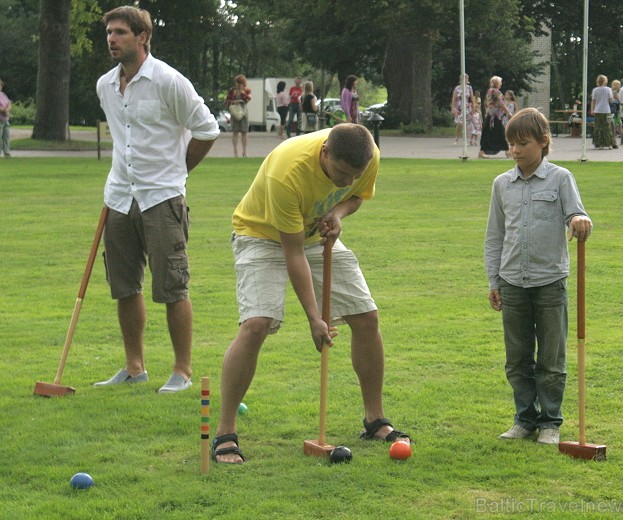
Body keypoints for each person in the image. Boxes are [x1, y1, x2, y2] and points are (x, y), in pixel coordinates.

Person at [210, 124, 412, 464]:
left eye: (355, 174)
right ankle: (225, 433)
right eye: (341, 173)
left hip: (315, 233)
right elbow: (293, 254)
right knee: (257, 323)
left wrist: (338, 212)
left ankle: (375, 419)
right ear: (325, 154)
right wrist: (314, 318)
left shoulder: (367, 155)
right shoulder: (287, 171)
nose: (347, 181)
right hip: (260, 234)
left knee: (366, 317)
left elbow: (356, 195)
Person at [94, 5, 219, 393]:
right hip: (119, 198)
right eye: (109, 33)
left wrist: (178, 172)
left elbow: (207, 129)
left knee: (172, 286)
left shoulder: (169, 81)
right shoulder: (105, 86)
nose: (112, 39)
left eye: (120, 32)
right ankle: (135, 367)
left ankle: (181, 371)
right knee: (125, 285)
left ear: (142, 37)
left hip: (161, 198)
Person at [484, 108, 592, 445]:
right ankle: (524, 419)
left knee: (551, 360)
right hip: (512, 282)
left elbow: (577, 213)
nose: (515, 150)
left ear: (543, 142)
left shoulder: (561, 178)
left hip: (549, 283)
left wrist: (579, 221)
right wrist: (494, 280)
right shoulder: (502, 184)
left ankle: (550, 422)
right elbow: (494, 236)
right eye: (511, 144)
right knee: (517, 359)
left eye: (523, 143)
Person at [479, 76, 513, 158]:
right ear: (497, 83)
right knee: (500, 132)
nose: (501, 84)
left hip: (490, 116)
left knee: (487, 133)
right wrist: (508, 112)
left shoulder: (490, 91)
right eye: (500, 82)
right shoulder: (495, 91)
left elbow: (486, 103)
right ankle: (508, 151)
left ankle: (482, 151)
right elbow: (501, 103)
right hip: (494, 117)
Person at [225, 75, 252, 157]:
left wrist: (241, 92)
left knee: (244, 132)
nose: (238, 85)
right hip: (234, 112)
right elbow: (227, 101)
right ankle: (235, 151)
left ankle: (244, 151)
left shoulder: (247, 91)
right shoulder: (232, 91)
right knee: (235, 132)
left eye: (239, 83)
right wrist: (233, 101)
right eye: (236, 83)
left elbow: (247, 99)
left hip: (243, 113)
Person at [590, 74, 617, 149]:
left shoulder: (595, 90)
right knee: (607, 127)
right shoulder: (608, 89)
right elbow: (610, 100)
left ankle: (599, 143)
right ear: (605, 81)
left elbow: (593, 101)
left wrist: (592, 110)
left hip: (597, 110)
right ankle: (609, 144)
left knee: (598, 127)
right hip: (606, 110)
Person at [451, 74, 473, 144]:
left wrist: (473, 108)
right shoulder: (457, 88)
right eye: (463, 79)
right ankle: (457, 137)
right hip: (459, 108)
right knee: (460, 123)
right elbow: (454, 99)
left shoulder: (469, 88)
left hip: (467, 107)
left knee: (466, 124)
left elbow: (472, 99)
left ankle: (465, 139)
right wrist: (453, 108)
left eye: (466, 79)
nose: (465, 80)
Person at [0, 78, 11, 158]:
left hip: (6, 118)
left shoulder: (3, 94)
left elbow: (9, 103)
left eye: (0, 85)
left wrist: (7, 109)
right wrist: (3, 110)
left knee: (6, 136)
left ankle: (6, 152)